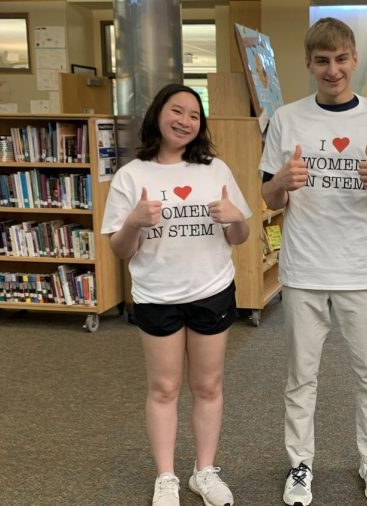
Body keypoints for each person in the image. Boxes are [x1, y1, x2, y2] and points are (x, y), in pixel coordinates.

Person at [259, 17, 367, 506]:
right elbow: (267, 196)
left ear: (354, 61)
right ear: (309, 64)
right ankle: (300, 464)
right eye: (322, 61)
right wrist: (282, 182)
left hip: (362, 271)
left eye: (341, 59)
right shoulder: (286, 118)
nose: (332, 69)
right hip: (303, 271)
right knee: (300, 377)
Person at [101, 83, 251, 506]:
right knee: (164, 387)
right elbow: (119, 248)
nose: (185, 121)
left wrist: (236, 217)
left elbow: (239, 236)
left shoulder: (215, 170)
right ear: (158, 114)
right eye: (177, 111)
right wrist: (132, 222)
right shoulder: (133, 175)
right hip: (156, 293)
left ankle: (204, 471)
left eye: (194, 115)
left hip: (211, 289)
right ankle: (166, 476)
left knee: (208, 385)